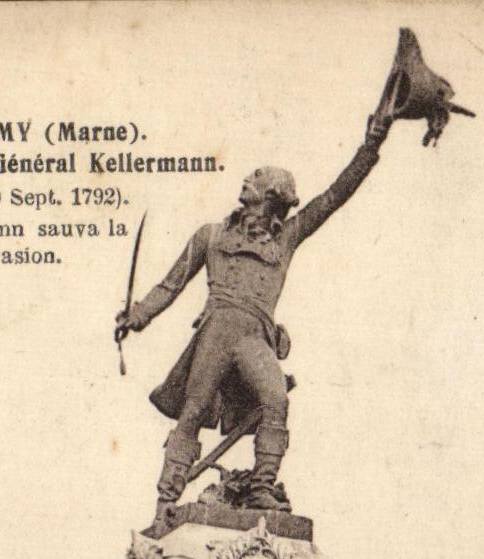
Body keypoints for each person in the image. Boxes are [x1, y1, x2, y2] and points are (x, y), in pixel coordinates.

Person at [115, 116, 392, 529]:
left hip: (253, 337)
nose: (247, 179)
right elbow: (169, 286)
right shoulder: (209, 236)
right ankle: (164, 506)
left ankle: (263, 486)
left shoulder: (287, 237)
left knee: (276, 400)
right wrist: (138, 315)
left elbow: (333, 197)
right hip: (215, 333)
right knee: (191, 414)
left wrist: (370, 146)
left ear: (273, 194)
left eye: (257, 177)